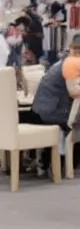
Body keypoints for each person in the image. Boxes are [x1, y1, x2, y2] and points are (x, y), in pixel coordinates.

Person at [18, 34, 80, 175]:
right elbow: (73, 92)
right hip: (53, 114)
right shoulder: (69, 66)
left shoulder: (63, 63)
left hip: (44, 110)